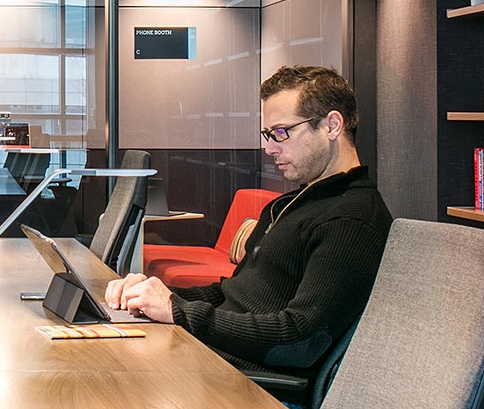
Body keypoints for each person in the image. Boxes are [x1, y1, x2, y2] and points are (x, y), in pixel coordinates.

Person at [105, 65, 391, 374]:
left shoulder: (350, 220)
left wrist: (179, 311)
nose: (270, 148)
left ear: (332, 126)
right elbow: (232, 294)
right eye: (269, 135)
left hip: (246, 385)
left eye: (282, 133)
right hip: (211, 358)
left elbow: (298, 340)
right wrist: (155, 294)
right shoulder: (292, 204)